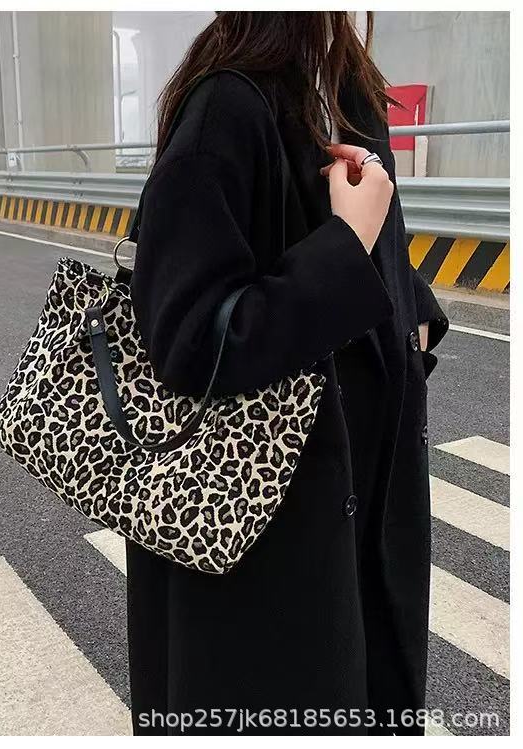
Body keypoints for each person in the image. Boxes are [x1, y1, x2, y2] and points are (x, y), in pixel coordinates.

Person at [125, 11, 449, 736]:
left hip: (362, 504)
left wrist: (415, 316)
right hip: (257, 532)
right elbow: (190, 343)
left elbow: (377, 253)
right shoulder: (226, 109)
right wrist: (347, 243)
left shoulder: (349, 89)